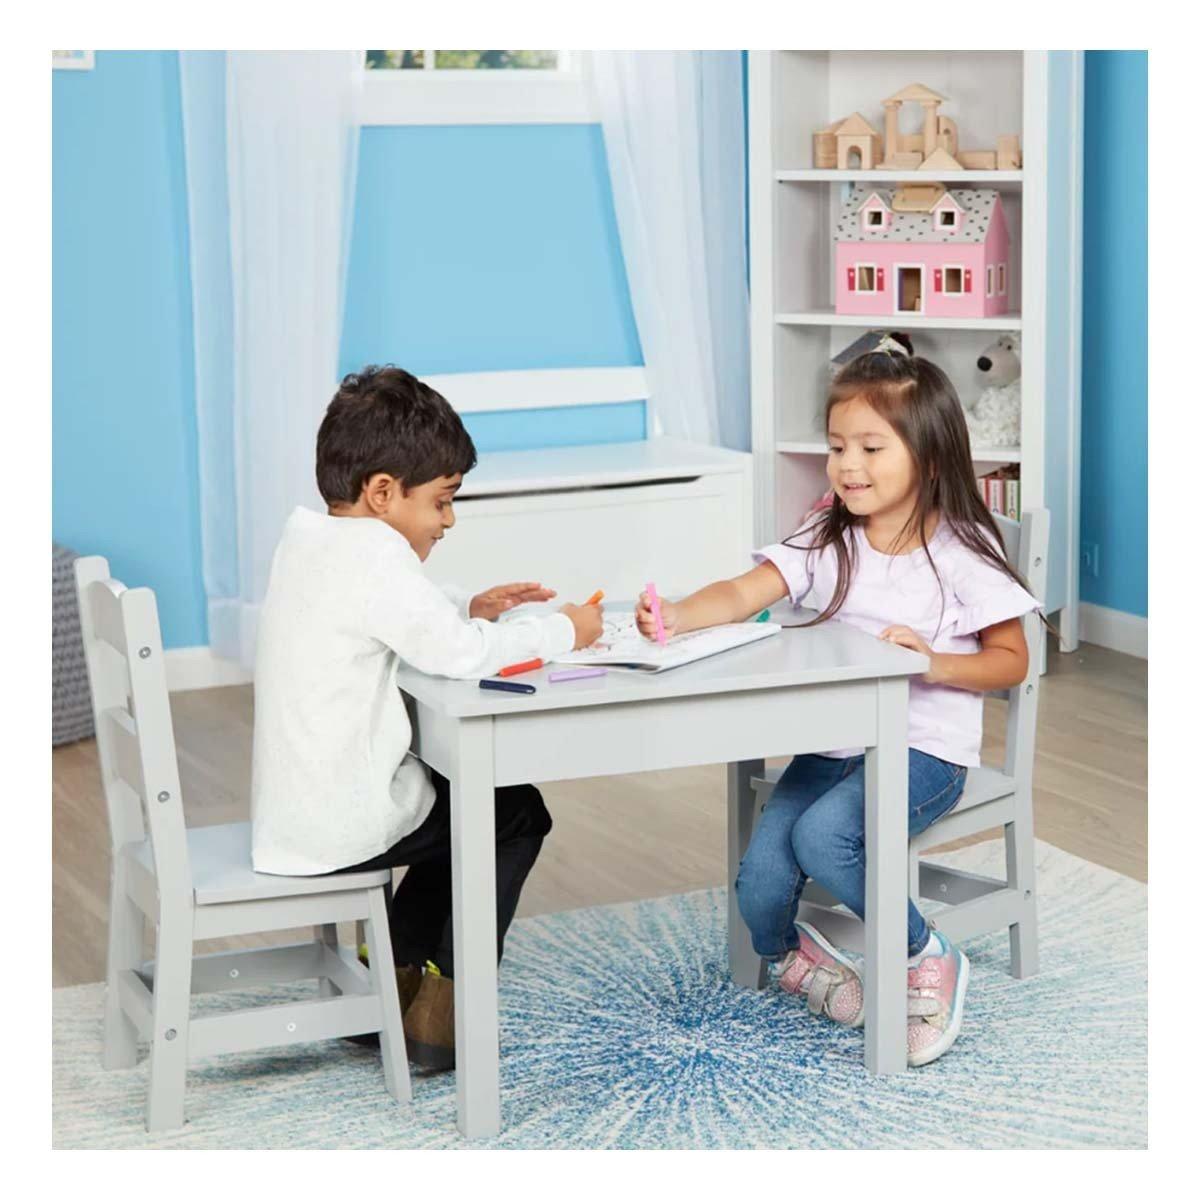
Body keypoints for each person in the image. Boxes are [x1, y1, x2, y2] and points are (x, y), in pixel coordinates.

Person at [635, 348, 1040, 1066]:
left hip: (924, 749)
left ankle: (926, 954)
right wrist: (678, 614)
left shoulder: (961, 551)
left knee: (823, 838)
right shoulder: (827, 537)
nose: (848, 465)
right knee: (760, 881)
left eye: (871, 448)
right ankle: (799, 961)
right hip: (833, 746)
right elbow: (743, 593)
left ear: (930, 458)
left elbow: (1013, 660)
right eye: (837, 446)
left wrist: (932, 661)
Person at [251, 365, 603, 1071]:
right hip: (343, 818)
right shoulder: (377, 562)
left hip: (297, 810)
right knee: (513, 813)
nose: (449, 520)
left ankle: (392, 978)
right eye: (442, 501)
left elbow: (387, 614)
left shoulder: (313, 540)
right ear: (383, 492)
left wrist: (466, 606)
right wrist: (567, 629)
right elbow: (459, 655)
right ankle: (443, 1009)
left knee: (475, 810)